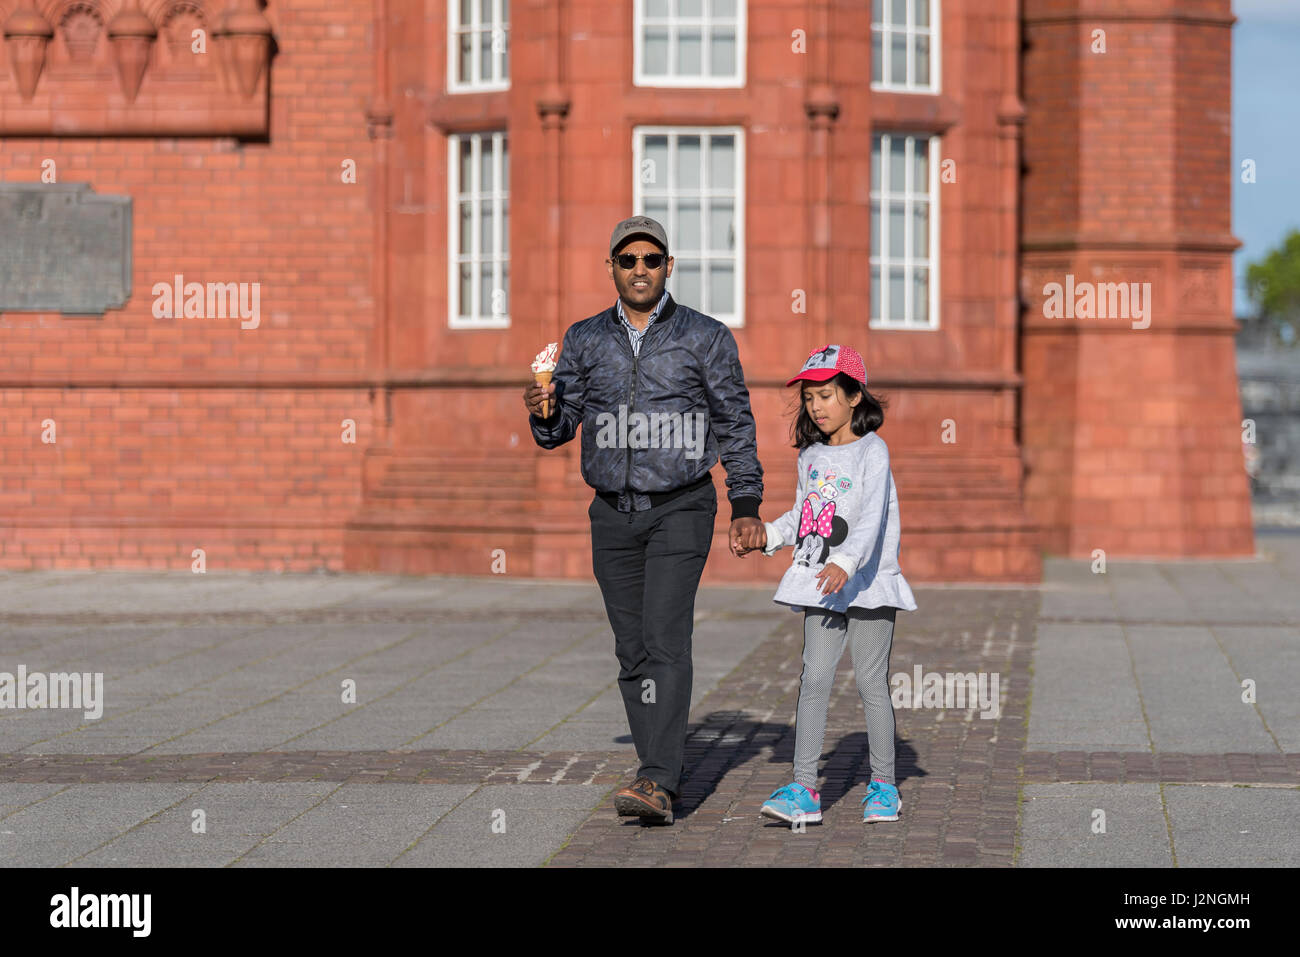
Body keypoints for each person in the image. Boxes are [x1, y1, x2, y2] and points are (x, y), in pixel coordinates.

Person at [522, 215, 765, 825]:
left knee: (664, 639)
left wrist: (746, 503)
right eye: (627, 260)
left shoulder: (706, 337)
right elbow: (560, 429)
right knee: (631, 651)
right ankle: (658, 766)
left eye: (651, 260)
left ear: (668, 267)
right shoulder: (583, 339)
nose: (639, 270)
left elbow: (735, 422)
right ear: (611, 268)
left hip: (682, 506)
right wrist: (544, 412)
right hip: (611, 514)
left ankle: (657, 778)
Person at [733, 344, 917, 825]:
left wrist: (849, 562)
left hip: (868, 584)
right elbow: (808, 514)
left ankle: (883, 786)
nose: (816, 405)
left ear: (855, 396)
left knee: (871, 682)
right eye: (810, 397)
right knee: (813, 678)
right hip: (820, 581)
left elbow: (871, 519)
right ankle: (804, 789)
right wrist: (768, 535)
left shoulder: (873, 452)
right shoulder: (811, 454)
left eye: (827, 395)